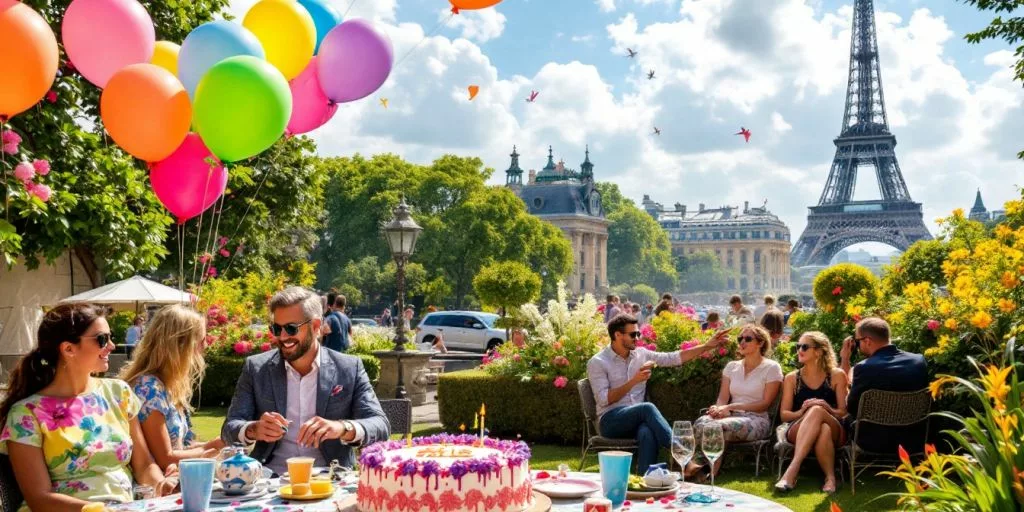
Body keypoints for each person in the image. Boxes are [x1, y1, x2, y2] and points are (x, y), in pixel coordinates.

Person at [0, 304, 179, 511]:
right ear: (68, 349)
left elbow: (144, 465)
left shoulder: (119, 394)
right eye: (102, 339)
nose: (111, 345)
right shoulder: (26, 414)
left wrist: (160, 484)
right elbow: (39, 499)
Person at [222, 287, 390, 475]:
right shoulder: (256, 368)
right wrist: (253, 429)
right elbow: (229, 428)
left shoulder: (349, 368)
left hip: (330, 479)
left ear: (316, 327)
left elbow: (380, 425)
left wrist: (342, 428)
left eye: (291, 328)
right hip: (270, 481)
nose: (283, 337)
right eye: (277, 328)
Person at [587, 314, 727, 473]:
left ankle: (645, 479)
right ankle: (684, 459)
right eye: (633, 334)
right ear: (617, 335)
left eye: (638, 334)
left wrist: (707, 346)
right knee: (646, 408)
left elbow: (673, 358)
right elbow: (604, 399)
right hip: (610, 421)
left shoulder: (641, 354)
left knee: (646, 431)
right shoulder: (598, 362)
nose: (637, 338)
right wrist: (634, 381)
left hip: (639, 420)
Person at [119, 305, 226, 471]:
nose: (205, 346)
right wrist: (210, 447)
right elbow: (165, 458)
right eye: (201, 340)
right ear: (181, 345)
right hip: (158, 487)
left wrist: (217, 444)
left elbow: (179, 448)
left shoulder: (165, 385)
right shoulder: (149, 388)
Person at [686, 325, 783, 479]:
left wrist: (730, 407)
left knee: (717, 426)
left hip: (757, 419)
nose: (742, 342)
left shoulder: (771, 368)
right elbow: (722, 398)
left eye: (748, 339)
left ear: (760, 343)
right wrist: (717, 409)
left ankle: (710, 471)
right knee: (701, 422)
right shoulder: (732, 367)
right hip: (729, 415)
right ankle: (696, 467)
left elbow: (765, 404)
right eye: (740, 339)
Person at [841, 317, 928, 455]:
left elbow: (851, 408)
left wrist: (845, 359)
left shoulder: (865, 368)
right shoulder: (918, 361)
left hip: (873, 442)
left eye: (857, 342)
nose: (857, 346)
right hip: (912, 440)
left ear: (867, 341)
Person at [775, 331, 848, 493]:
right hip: (798, 427)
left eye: (805, 347)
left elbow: (843, 412)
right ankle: (830, 478)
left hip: (835, 426)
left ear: (819, 351)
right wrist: (803, 411)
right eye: (798, 346)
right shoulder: (792, 378)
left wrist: (826, 408)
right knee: (823, 428)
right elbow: (784, 415)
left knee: (818, 411)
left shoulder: (836, 375)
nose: (799, 350)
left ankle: (791, 472)